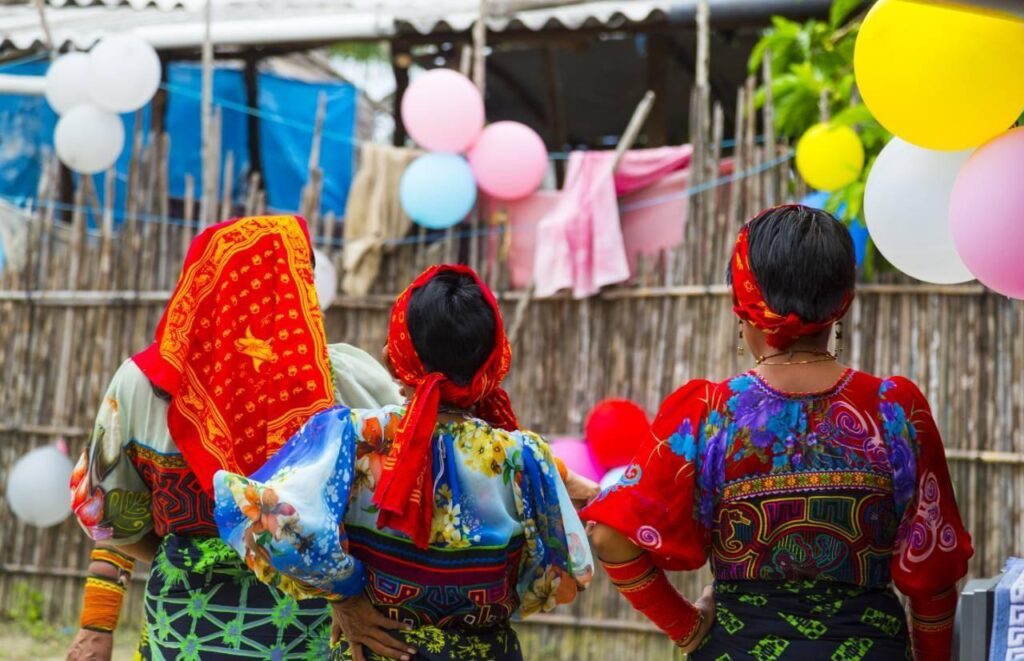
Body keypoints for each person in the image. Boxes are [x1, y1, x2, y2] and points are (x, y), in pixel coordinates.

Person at [583, 205, 974, 660]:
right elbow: (935, 579)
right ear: (841, 299)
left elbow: (610, 537)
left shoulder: (709, 414)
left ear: (744, 302)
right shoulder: (895, 410)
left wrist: (686, 627)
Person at [213, 264, 596, 661]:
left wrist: (344, 592)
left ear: (394, 360)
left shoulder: (353, 437)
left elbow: (261, 516)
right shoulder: (523, 457)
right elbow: (570, 573)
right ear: (493, 363)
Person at [68, 215, 404, 660]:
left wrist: (183, 546)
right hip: (314, 631)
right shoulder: (345, 379)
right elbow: (395, 507)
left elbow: (108, 517)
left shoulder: (142, 383)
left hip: (183, 633)